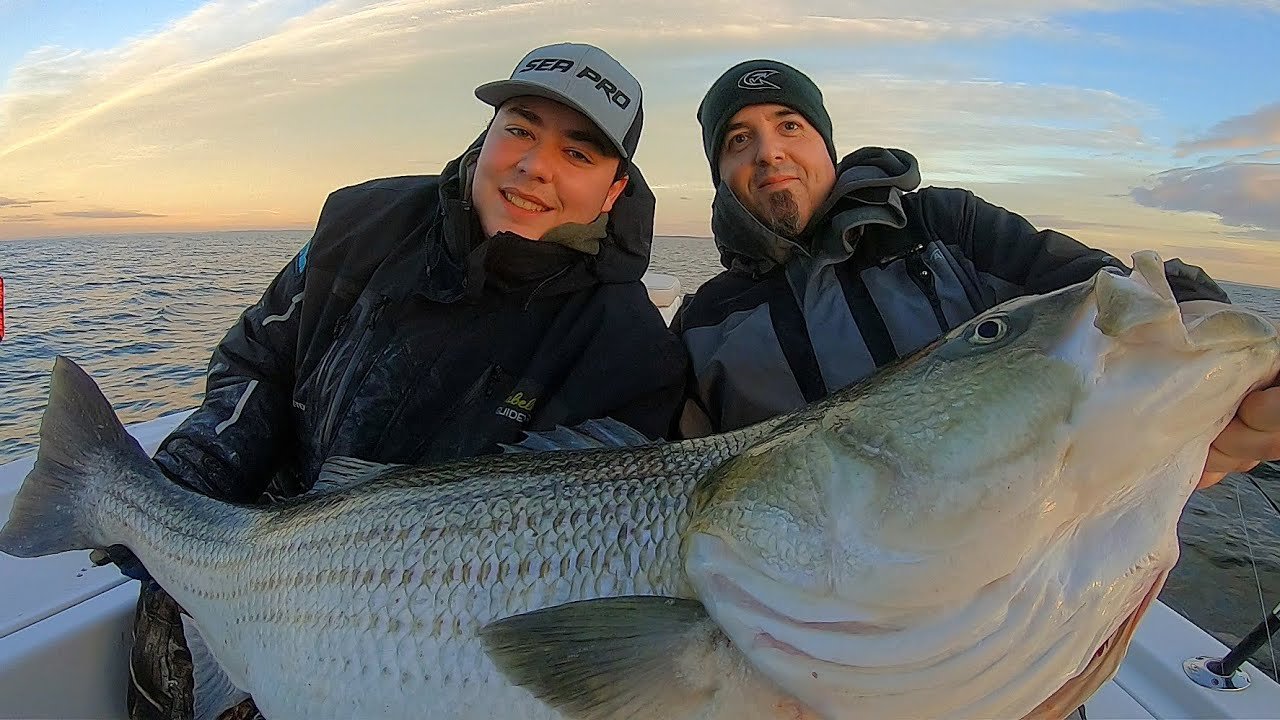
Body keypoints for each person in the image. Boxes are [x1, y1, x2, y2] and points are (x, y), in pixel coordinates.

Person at [108, 42, 688, 720]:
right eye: (521, 130)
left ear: (615, 189)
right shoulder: (361, 223)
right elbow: (258, 357)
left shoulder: (632, 353)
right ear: (488, 133)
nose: (535, 167)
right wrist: (192, 478)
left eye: (579, 154)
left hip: (414, 650)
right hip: (242, 558)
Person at [673, 58, 1280, 489]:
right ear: (720, 173)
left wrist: (1209, 329)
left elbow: (1109, 298)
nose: (769, 152)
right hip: (809, 614)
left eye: (789, 126)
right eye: (737, 139)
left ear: (826, 144)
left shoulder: (946, 224)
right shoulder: (703, 321)